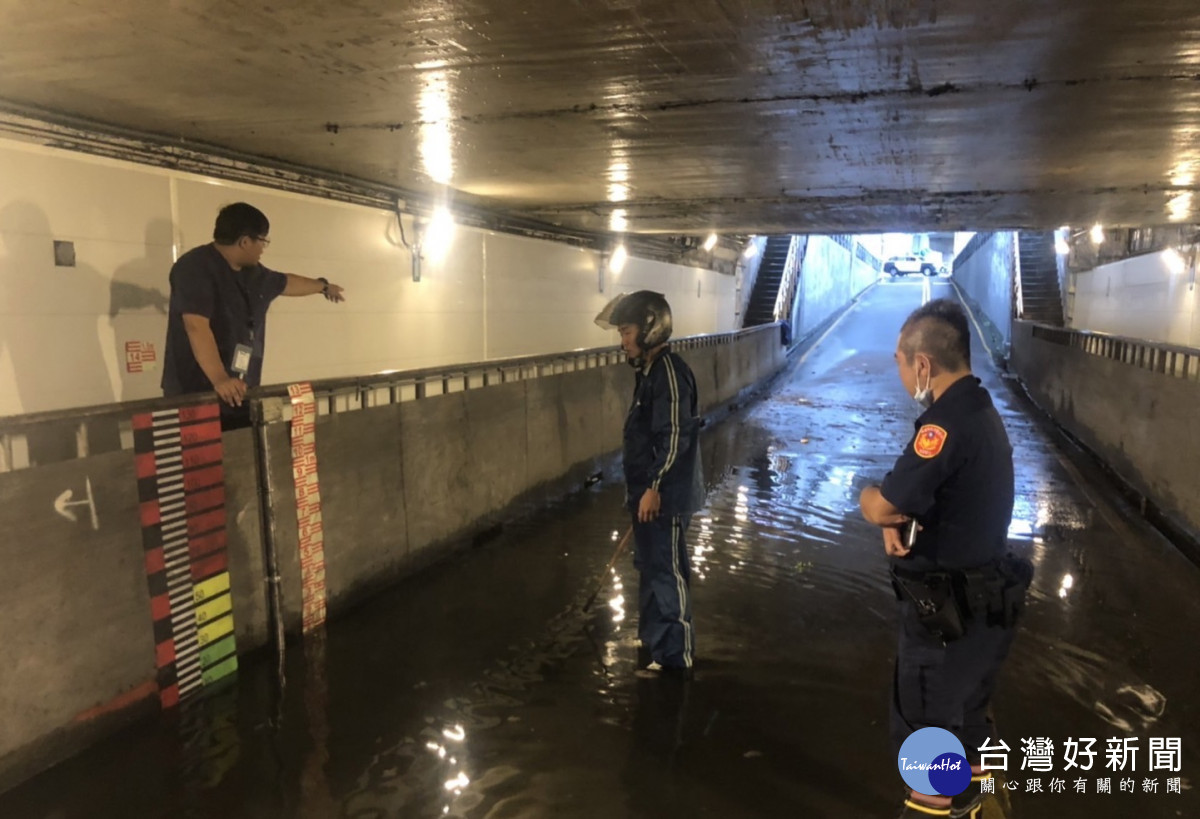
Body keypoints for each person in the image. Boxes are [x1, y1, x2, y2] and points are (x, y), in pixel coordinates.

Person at [858, 299, 1032, 819]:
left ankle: (938, 811)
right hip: (985, 605)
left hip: (943, 620)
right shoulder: (981, 410)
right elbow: (959, 503)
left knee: (928, 737)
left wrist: (869, 499)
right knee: (968, 720)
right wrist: (907, 527)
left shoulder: (943, 425)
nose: (900, 371)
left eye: (900, 360)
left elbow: (886, 503)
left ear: (923, 366)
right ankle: (982, 806)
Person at [595, 291, 705, 676]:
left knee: (666, 570)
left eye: (626, 331)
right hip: (648, 497)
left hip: (664, 499)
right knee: (651, 567)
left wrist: (655, 487)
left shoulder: (669, 374)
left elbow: (674, 436)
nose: (623, 340)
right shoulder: (650, 374)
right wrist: (640, 494)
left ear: (650, 328)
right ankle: (654, 641)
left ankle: (675, 656)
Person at [161, 202, 345, 427]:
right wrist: (220, 379)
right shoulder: (194, 268)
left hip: (241, 391)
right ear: (245, 241)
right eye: (263, 241)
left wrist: (324, 287)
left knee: (243, 457)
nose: (263, 248)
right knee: (204, 460)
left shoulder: (254, 273)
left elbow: (286, 282)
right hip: (196, 394)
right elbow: (196, 325)